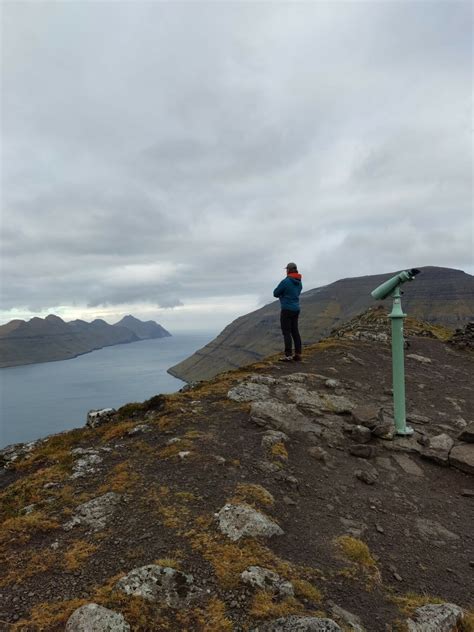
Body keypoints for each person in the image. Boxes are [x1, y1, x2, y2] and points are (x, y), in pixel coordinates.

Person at [273, 262, 303, 361]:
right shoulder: (299, 282)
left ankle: (288, 355)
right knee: (295, 331)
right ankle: (298, 354)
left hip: (286, 309)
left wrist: (283, 296)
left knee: (286, 332)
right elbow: (297, 292)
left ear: (289, 270)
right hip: (296, 309)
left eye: (286, 269)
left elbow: (275, 293)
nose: (286, 271)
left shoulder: (285, 282)